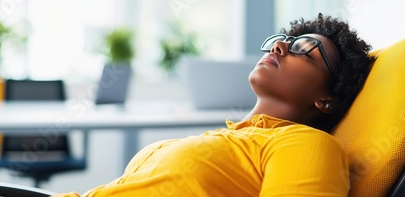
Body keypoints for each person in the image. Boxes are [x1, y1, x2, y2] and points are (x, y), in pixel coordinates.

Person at [53, 13, 375, 197]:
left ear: (326, 99)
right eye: (284, 40)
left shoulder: (303, 143)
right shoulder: (220, 141)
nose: (279, 46)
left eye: (305, 49)